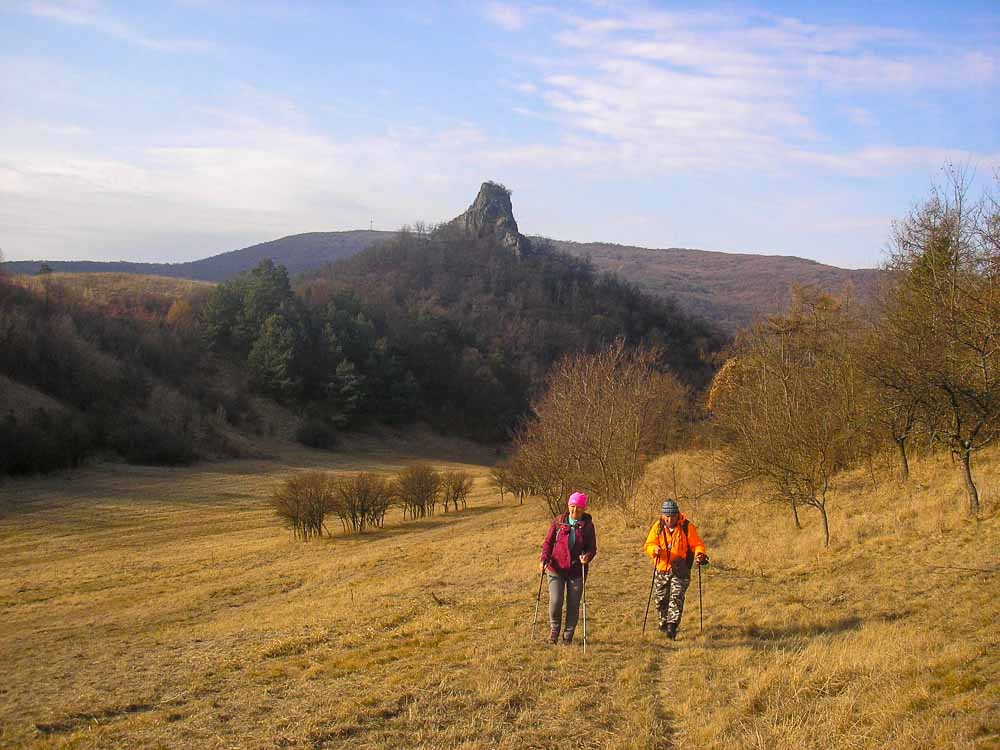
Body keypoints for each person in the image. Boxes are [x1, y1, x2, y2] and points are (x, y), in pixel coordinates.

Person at [642, 498, 708, 640]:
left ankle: (672, 627)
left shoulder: (687, 527)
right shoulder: (658, 526)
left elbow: (697, 544)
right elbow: (648, 544)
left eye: (672, 515)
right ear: (663, 515)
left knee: (676, 597)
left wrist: (699, 555)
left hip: (680, 569)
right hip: (661, 569)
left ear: (677, 514)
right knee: (660, 599)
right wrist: (654, 549)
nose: (670, 519)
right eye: (667, 516)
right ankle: (663, 622)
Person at [539, 491, 597, 645]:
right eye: (572, 506)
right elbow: (548, 542)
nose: (574, 510)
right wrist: (544, 559)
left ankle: (568, 636)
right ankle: (554, 630)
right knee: (556, 600)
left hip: (576, 570)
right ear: (568, 505)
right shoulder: (559, 521)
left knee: (573, 603)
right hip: (555, 567)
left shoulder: (588, 526)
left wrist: (587, 557)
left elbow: (592, 548)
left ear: (583, 509)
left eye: (578, 508)